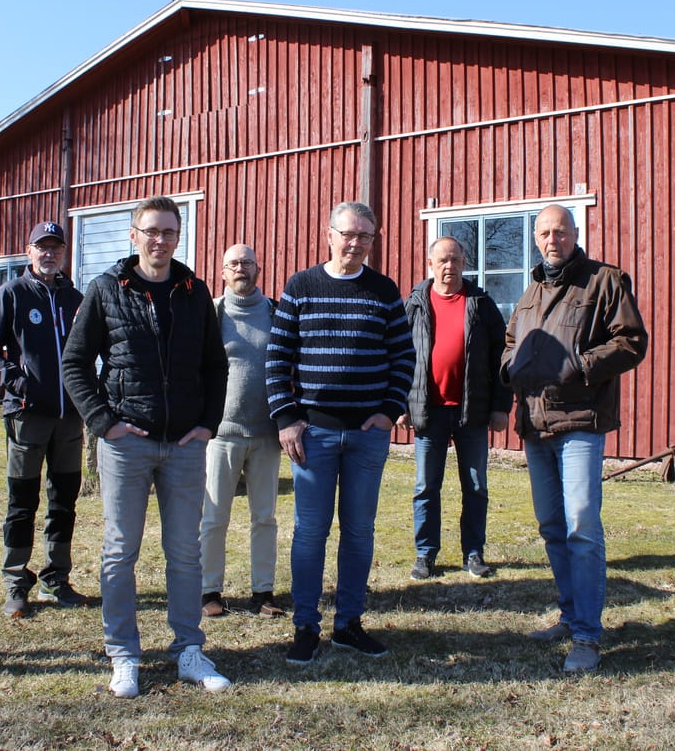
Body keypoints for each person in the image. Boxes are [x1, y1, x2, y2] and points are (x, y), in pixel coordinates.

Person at [60, 196, 231, 698]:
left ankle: (189, 650)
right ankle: (124, 655)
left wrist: (207, 424)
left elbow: (215, 365)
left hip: (184, 444)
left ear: (178, 237)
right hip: (126, 443)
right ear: (133, 235)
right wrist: (103, 422)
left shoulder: (193, 291)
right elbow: (74, 363)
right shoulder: (106, 289)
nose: (160, 240)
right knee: (120, 551)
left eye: (169, 232)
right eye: (151, 231)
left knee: (185, 552)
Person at [267, 201, 415, 665]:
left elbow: (403, 356)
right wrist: (286, 417)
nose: (355, 244)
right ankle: (305, 626)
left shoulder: (383, 290)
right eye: (348, 234)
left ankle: (349, 624)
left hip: (367, 436)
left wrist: (389, 410)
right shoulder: (301, 286)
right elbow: (277, 357)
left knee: (358, 532)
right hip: (314, 435)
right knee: (310, 532)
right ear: (329, 235)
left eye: (365, 236)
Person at [501, 204, 648, 673]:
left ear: (576, 233)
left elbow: (631, 342)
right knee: (551, 526)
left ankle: (587, 635)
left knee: (581, 525)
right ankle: (568, 616)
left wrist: (580, 366)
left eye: (560, 231)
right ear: (536, 238)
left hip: (581, 421)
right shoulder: (530, 292)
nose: (552, 240)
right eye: (544, 233)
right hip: (535, 423)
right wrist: (510, 367)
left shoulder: (605, 281)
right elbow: (510, 344)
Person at [0, 221, 87, 618]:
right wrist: (18, 383)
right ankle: (16, 579)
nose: (49, 254)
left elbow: (89, 351)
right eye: (42, 247)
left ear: (63, 253)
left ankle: (56, 578)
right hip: (27, 416)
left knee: (64, 500)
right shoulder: (12, 294)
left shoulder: (75, 299)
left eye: (55, 248)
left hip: (70, 418)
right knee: (22, 500)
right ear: (29, 252)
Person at [399, 236, 512, 581]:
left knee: (475, 487)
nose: (449, 266)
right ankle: (425, 553)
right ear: (430, 264)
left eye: (455, 259)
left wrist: (500, 406)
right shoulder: (414, 304)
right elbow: (399, 358)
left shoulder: (481, 303)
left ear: (464, 262)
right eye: (443, 260)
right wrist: (401, 404)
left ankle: (473, 553)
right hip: (427, 410)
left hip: (471, 411)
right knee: (425, 487)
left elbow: (501, 358)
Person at [199, 244, 286, 619]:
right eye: (233, 263)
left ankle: (263, 592)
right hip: (222, 433)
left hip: (267, 433)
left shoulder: (276, 313)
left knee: (264, 517)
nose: (241, 268)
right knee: (214, 516)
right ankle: (208, 591)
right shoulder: (212, 314)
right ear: (222, 272)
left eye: (247, 262)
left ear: (258, 269)